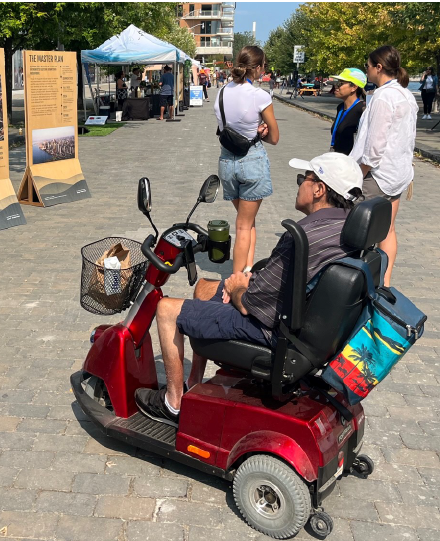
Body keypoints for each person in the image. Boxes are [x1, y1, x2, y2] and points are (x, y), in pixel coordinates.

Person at [134, 153, 365, 425]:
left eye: (305, 178)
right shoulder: (346, 229)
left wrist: (236, 287)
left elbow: (249, 304)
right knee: (202, 288)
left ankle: (172, 403)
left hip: (271, 330)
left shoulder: (301, 237)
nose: (300, 183)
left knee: (166, 309)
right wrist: (244, 281)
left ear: (319, 189)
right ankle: (193, 383)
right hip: (302, 324)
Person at [350, 44, 417, 287]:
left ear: (379, 68)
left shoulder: (383, 97)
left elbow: (374, 145)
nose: (366, 71)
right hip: (399, 173)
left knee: (358, 232)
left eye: (368, 67)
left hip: (377, 175)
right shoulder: (405, 94)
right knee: (387, 229)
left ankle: (358, 281)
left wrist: (359, 174)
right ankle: (384, 283)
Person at [214, 45, 280, 277]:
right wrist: (260, 131)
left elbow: (227, 127)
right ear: (259, 67)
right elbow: (274, 137)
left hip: (227, 164)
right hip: (251, 162)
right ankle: (235, 282)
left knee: (247, 221)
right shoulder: (259, 95)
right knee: (243, 225)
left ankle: (249, 268)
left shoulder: (221, 92)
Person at [329, 68, 367, 155]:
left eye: (340, 84)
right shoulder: (340, 107)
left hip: (351, 163)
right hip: (337, 159)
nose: (336, 86)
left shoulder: (362, 110)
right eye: (336, 83)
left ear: (354, 87)